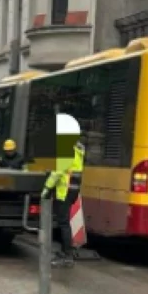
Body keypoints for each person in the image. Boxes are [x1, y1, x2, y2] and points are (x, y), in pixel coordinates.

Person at [43, 113, 84, 266]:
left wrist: (47, 188)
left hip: (64, 191)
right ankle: (66, 252)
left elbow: (58, 172)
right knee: (64, 222)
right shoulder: (77, 150)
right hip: (72, 191)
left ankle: (67, 255)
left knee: (63, 223)